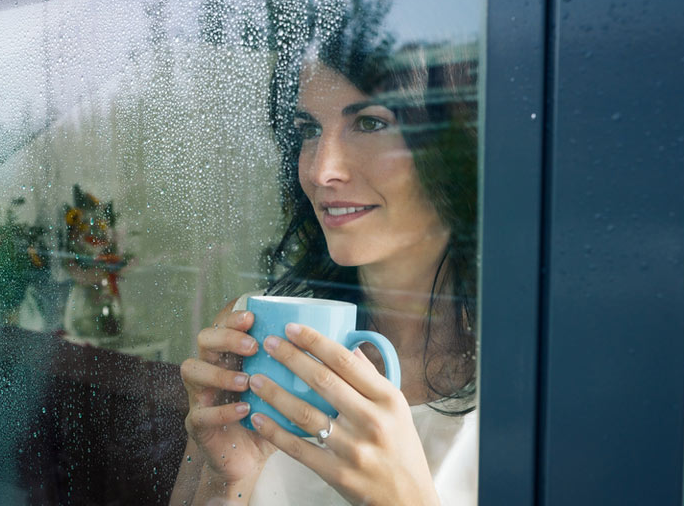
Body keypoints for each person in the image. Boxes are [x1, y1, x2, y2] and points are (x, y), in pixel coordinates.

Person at [169, 38, 478, 505]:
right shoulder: (251, 335)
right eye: (309, 129)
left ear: (450, 149)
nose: (321, 170)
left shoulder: (536, 379)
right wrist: (226, 483)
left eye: (371, 123)